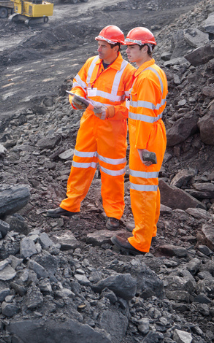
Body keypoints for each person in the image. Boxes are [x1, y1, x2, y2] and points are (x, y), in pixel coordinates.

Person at [46, 25, 135, 230]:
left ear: (116, 47)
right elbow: (78, 86)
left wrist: (110, 111)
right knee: (80, 165)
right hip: (88, 125)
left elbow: (132, 106)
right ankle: (71, 205)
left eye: (103, 46)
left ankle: (113, 213)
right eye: (98, 45)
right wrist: (75, 99)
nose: (99, 49)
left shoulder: (127, 72)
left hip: (112, 131)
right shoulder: (91, 63)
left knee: (112, 172)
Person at [111, 27, 168, 255]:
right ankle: (149, 230)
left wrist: (141, 148)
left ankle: (140, 241)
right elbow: (138, 110)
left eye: (132, 47)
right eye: (127, 47)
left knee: (141, 189)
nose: (127, 51)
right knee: (149, 187)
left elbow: (143, 116)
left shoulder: (145, 78)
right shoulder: (152, 72)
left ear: (146, 48)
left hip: (145, 139)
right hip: (152, 134)